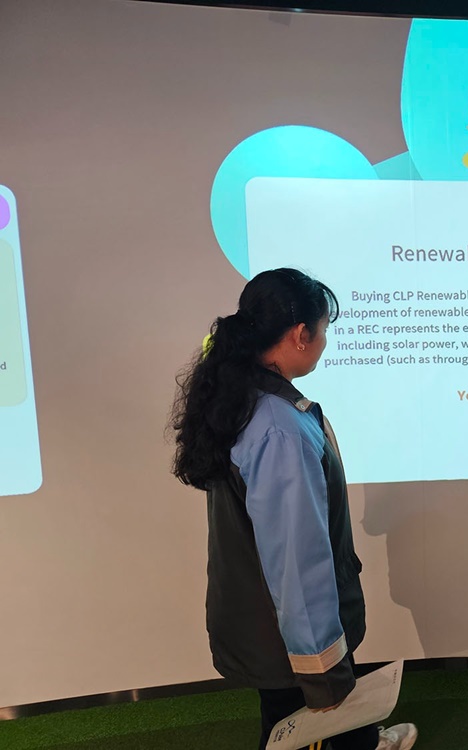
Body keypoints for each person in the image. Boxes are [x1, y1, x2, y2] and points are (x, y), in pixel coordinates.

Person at [170, 268, 417, 750]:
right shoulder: (279, 427)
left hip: (266, 623)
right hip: (287, 638)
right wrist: (322, 671)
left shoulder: (243, 396)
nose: (325, 343)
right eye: (324, 330)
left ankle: (363, 742)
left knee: (308, 725)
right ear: (301, 334)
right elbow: (297, 565)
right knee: (303, 726)